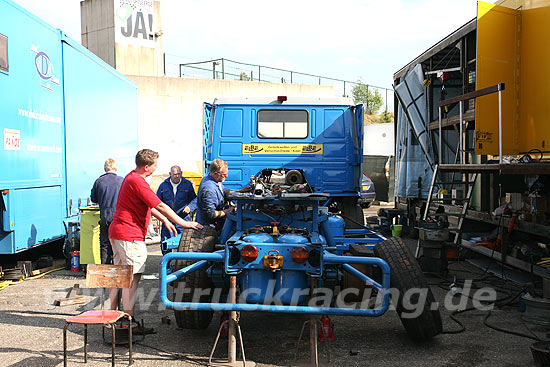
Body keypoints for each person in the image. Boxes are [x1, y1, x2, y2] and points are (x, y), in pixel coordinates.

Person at [108, 149, 202, 333]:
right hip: (129, 234)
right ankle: (128, 322)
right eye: (155, 164)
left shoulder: (132, 178)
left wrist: (166, 220)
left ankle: (113, 316)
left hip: (118, 232)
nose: (157, 167)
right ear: (146, 167)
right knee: (131, 278)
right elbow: (159, 204)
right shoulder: (138, 181)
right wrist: (184, 222)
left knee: (120, 276)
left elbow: (149, 206)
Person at [90, 158, 123, 264]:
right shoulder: (122, 181)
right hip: (119, 219)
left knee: (104, 245)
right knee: (119, 245)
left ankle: (105, 270)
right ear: (116, 168)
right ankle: (120, 271)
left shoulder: (99, 181)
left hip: (105, 218)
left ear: (105, 169)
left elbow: (94, 199)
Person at [156, 165, 197, 249]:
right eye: (175, 174)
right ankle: (166, 259)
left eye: (179, 174)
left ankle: (181, 260)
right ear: (170, 174)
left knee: (184, 241)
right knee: (166, 241)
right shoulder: (163, 186)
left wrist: (190, 207)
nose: (177, 176)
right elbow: (157, 201)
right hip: (168, 218)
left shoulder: (187, 184)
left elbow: (195, 200)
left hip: (183, 217)